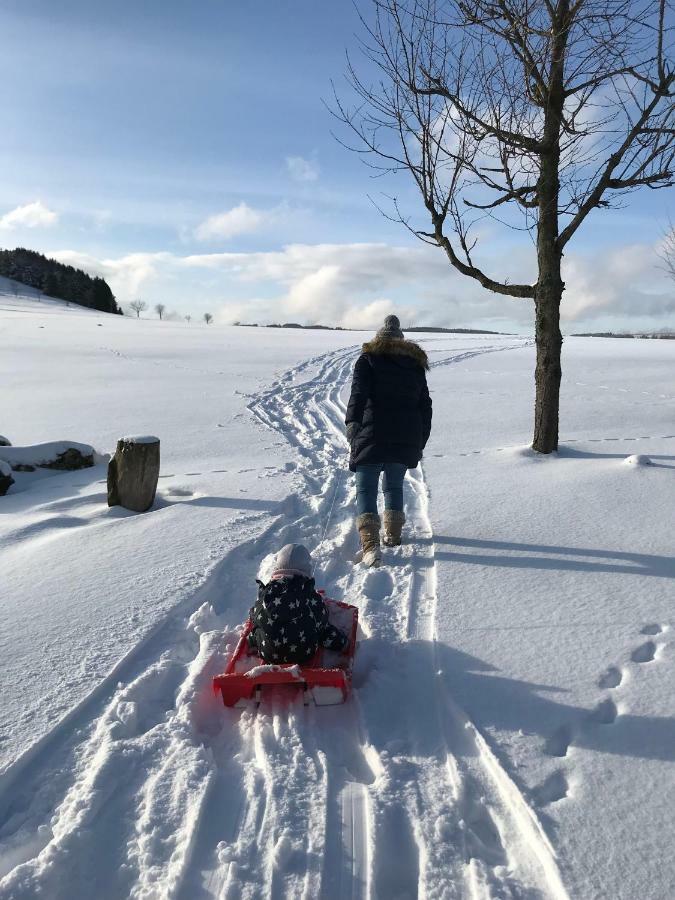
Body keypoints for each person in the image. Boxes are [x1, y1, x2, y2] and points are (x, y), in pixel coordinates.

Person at [345, 315, 432, 566]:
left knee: (366, 488)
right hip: (406, 436)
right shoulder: (414, 365)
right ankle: (393, 535)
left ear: (379, 338)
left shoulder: (368, 360)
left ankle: (371, 544)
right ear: (401, 341)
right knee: (394, 486)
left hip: (372, 433)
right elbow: (424, 405)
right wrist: (421, 438)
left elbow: (358, 393)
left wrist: (353, 422)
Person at [248, 543, 349, 663]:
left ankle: (253, 640)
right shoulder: (311, 598)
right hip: (303, 654)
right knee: (319, 627)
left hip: (268, 654)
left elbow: (254, 614)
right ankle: (340, 643)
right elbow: (323, 625)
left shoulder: (266, 595)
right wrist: (342, 642)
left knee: (261, 622)